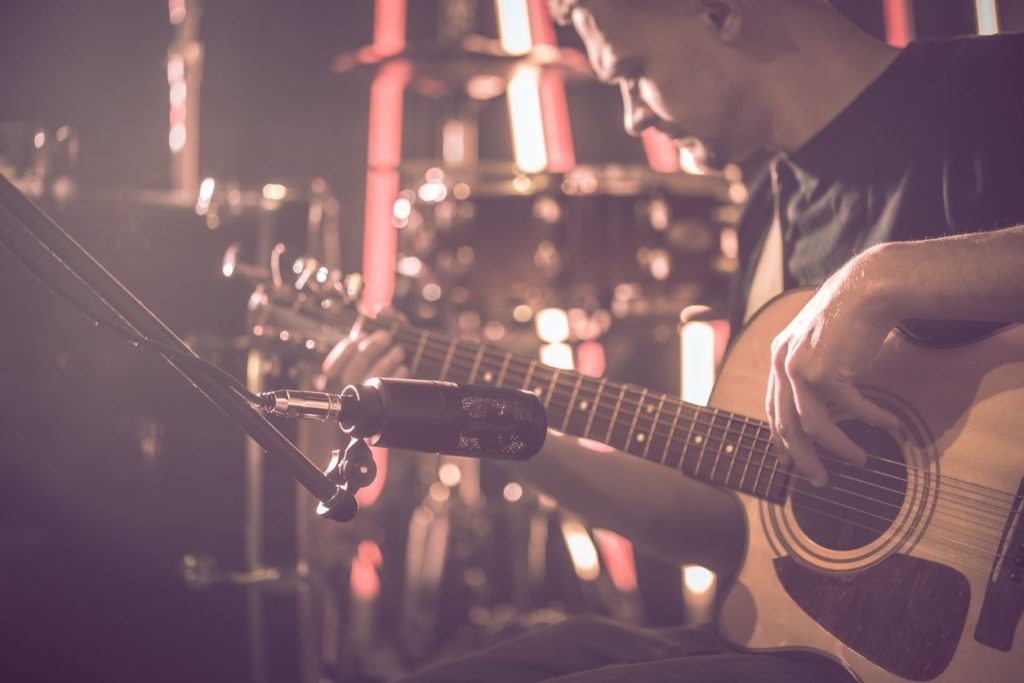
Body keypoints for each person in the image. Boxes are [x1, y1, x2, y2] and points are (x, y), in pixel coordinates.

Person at [326, 1, 1024, 679]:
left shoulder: (990, 90)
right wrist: (486, 429)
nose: (633, 116)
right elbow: (733, 527)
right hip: (837, 649)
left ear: (722, 13)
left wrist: (881, 280)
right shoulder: (767, 224)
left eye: (631, 73)